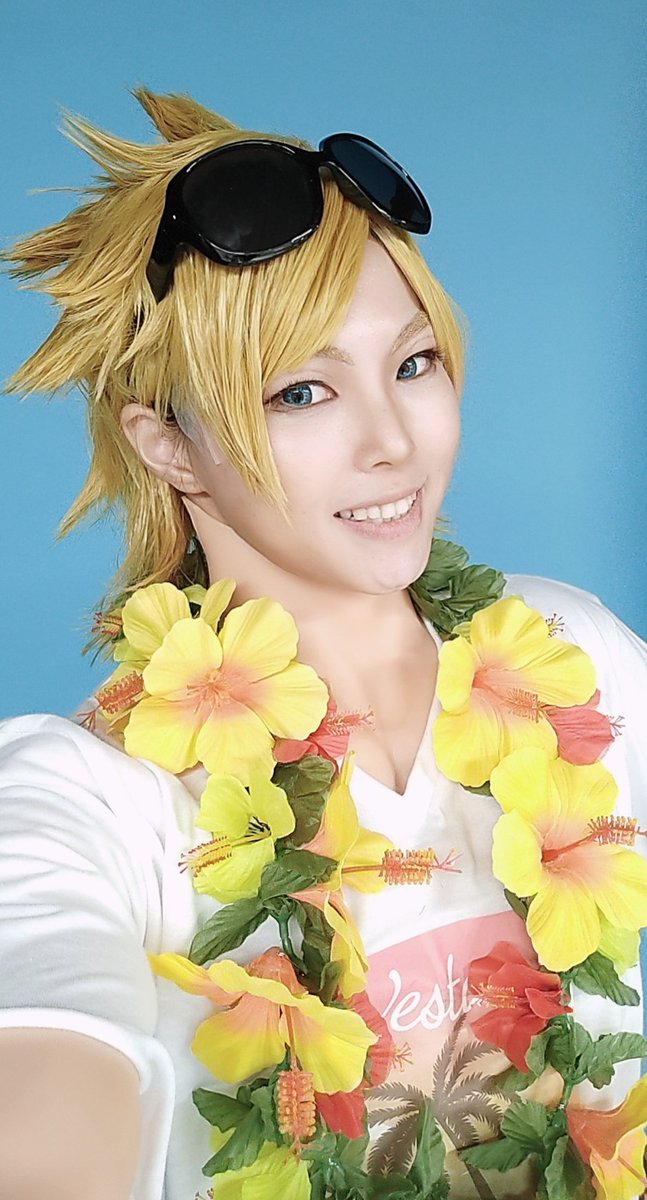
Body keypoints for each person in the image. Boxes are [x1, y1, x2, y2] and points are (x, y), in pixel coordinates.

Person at [1, 88, 646, 1200]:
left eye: (412, 364)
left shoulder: (565, 648)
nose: (391, 442)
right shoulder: (87, 798)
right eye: (301, 392)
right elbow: (41, 1085)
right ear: (168, 448)